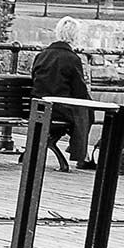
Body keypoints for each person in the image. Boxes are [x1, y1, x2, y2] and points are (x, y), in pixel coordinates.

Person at [30, 18, 97, 169]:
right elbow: (79, 91)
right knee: (87, 112)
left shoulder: (42, 55)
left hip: (38, 107)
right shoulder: (72, 59)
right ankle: (81, 155)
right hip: (58, 110)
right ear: (75, 36)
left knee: (82, 111)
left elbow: (34, 79)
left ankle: (80, 152)